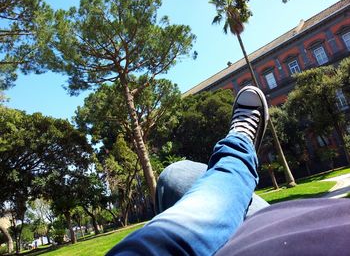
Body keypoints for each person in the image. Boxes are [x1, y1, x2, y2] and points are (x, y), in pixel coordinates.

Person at [107, 86, 350, 256]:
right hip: (313, 233)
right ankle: (238, 151)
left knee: (175, 175)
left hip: (282, 228)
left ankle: (237, 154)